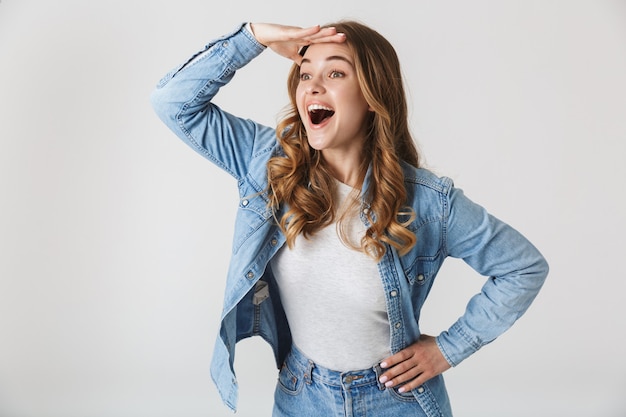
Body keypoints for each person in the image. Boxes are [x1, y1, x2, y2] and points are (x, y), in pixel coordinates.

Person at [150, 21, 548, 417]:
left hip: (398, 400)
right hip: (301, 395)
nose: (313, 86)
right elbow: (172, 102)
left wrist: (448, 349)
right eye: (305, 74)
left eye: (335, 72)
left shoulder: (429, 202)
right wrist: (253, 36)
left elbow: (522, 267)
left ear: (373, 95)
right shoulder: (268, 163)